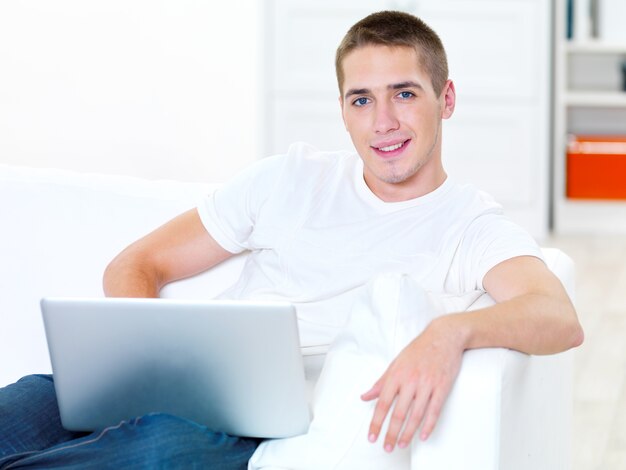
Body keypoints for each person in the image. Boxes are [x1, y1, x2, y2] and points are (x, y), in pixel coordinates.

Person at [0, 10, 583, 469]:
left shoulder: (471, 224)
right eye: (362, 100)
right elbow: (138, 263)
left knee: (160, 447)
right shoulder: (289, 177)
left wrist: (450, 333)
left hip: (250, 435)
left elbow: (557, 315)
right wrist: (148, 369)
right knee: (26, 400)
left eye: (404, 94)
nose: (383, 122)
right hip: (173, 392)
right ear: (343, 110)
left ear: (445, 99)